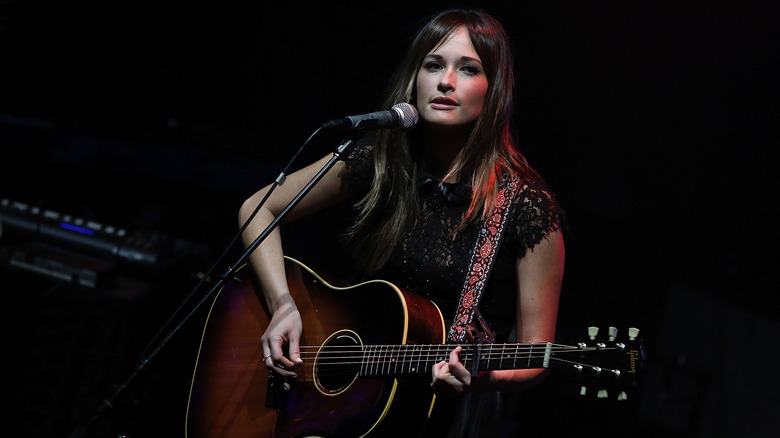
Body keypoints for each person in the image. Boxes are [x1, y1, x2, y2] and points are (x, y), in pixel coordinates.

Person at [238, 8, 565, 438]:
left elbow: (536, 357)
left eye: (468, 69)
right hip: (347, 413)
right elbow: (257, 207)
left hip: (443, 421)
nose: (445, 81)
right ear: (415, 77)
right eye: (433, 65)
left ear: (495, 90)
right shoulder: (380, 160)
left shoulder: (526, 207)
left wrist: (477, 379)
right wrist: (283, 304)